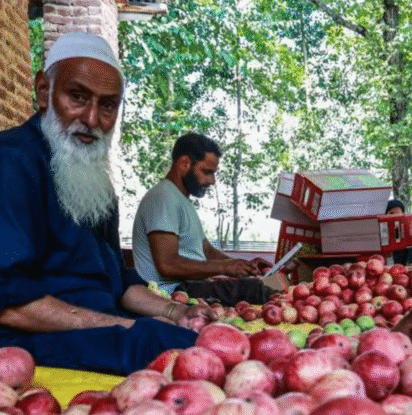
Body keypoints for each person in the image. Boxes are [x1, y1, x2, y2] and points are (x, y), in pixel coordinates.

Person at [0, 32, 216, 375]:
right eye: (77, 97)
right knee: (193, 357)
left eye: (108, 105)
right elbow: (9, 303)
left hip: (97, 325)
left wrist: (176, 313)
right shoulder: (12, 162)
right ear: (44, 91)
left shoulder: (95, 181)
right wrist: (125, 328)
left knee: (210, 339)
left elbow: (115, 280)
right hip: (29, 338)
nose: (91, 119)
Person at [132, 133, 280, 307]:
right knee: (257, 290)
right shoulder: (163, 197)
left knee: (259, 284)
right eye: (207, 172)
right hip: (173, 293)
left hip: (189, 286)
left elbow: (208, 252)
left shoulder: (181, 200)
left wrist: (244, 267)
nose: (212, 181)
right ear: (184, 164)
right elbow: (167, 265)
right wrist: (224, 268)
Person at [385, 199, 412, 266]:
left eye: (399, 214)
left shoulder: (408, 241)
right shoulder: (379, 239)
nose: (395, 217)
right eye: (391, 213)